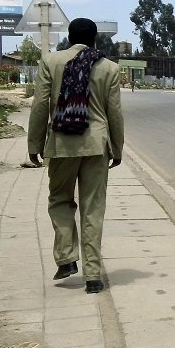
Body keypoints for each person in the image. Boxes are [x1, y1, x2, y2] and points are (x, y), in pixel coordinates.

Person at [27, 18, 124, 294]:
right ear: (95, 40)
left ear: (69, 38)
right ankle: (93, 276)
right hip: (96, 146)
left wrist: (34, 144)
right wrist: (117, 148)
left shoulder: (51, 62)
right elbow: (114, 113)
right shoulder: (109, 68)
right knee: (93, 209)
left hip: (61, 145)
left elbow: (40, 105)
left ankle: (67, 257)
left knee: (60, 199)